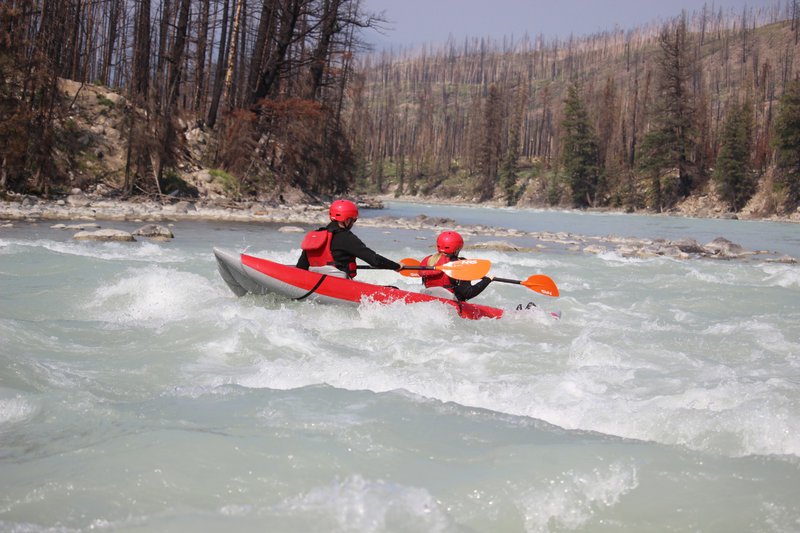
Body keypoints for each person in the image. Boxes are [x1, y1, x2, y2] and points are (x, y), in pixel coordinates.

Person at [296, 199, 401, 278]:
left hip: (313, 284)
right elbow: (374, 260)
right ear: (347, 220)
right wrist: (396, 266)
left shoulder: (315, 235)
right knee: (393, 288)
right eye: (353, 220)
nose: (353, 223)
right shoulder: (346, 238)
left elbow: (301, 267)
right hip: (338, 285)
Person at [418, 230, 494, 301]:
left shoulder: (428, 260)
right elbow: (468, 293)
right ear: (458, 249)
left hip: (429, 300)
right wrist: (487, 280)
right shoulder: (460, 264)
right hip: (449, 303)